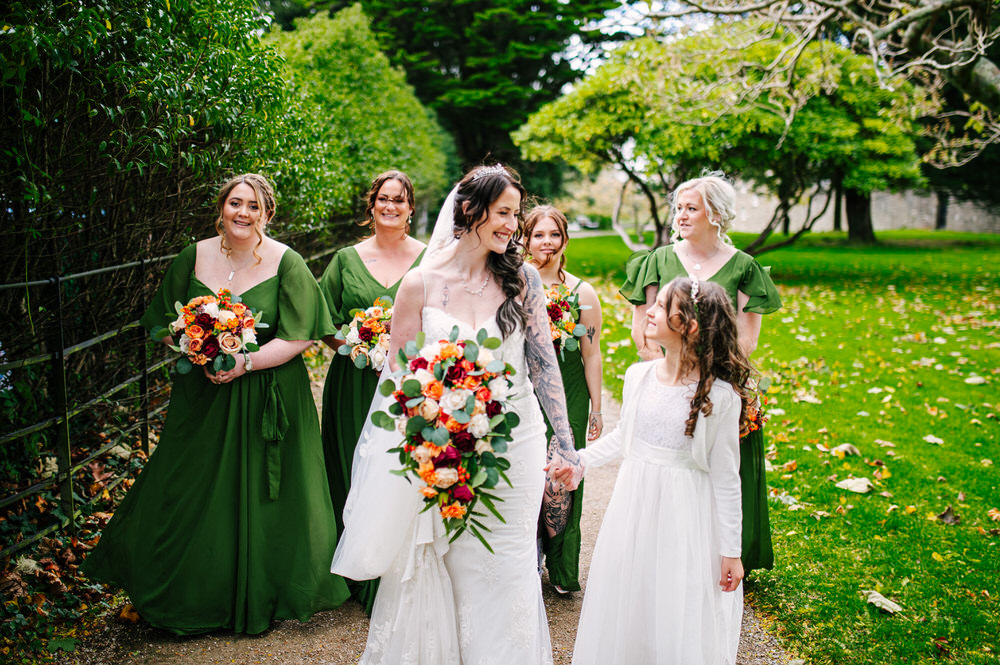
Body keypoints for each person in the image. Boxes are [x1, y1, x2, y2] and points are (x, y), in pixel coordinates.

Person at [331, 164, 583, 664]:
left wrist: (565, 440)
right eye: (504, 213)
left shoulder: (524, 279)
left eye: (516, 213)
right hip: (445, 446)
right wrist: (420, 439)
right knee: (451, 562)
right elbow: (398, 381)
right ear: (470, 211)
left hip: (517, 438)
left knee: (510, 563)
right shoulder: (420, 284)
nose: (514, 225)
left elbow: (543, 362)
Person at [82, 174, 349, 634]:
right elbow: (164, 323)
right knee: (190, 485)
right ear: (221, 208)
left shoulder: (288, 263)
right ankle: (189, 592)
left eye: (252, 206)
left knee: (265, 496)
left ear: (266, 212)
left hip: (268, 390)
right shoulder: (194, 255)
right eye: (234, 204)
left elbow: (301, 334)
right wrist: (195, 345)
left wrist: (245, 361)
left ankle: (257, 594)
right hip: (203, 393)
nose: (242, 214)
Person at [561, 277, 749, 665]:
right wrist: (580, 460)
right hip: (635, 505)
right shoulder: (638, 376)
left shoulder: (720, 396)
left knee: (675, 599)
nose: (650, 311)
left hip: (686, 513)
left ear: (690, 325)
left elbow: (727, 478)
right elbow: (625, 438)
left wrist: (730, 551)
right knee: (632, 594)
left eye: (662, 307)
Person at [619, 172, 781, 573]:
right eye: (679, 209)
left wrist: (706, 378)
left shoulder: (744, 267)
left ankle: (726, 553)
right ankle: (662, 554)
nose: (681, 216)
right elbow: (643, 329)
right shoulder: (658, 260)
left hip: (719, 384)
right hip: (667, 381)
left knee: (723, 468)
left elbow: (746, 339)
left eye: (691, 209)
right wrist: (672, 375)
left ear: (716, 215)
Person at [318, 170, 425, 613]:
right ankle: (352, 571)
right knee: (349, 464)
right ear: (371, 205)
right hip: (353, 382)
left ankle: (395, 567)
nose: (390, 206)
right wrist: (357, 344)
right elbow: (321, 320)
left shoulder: (429, 258)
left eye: (399, 200)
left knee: (399, 468)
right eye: (383, 198)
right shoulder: (345, 259)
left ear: (411, 209)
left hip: (408, 386)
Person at [523, 204, 603, 594]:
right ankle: (525, 561)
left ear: (565, 239)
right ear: (526, 239)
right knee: (524, 475)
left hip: (568, 394)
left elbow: (592, 353)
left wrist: (596, 407)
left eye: (554, 234)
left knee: (560, 480)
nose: (547, 243)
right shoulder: (515, 284)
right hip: (524, 391)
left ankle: (561, 566)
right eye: (539, 234)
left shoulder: (581, 292)